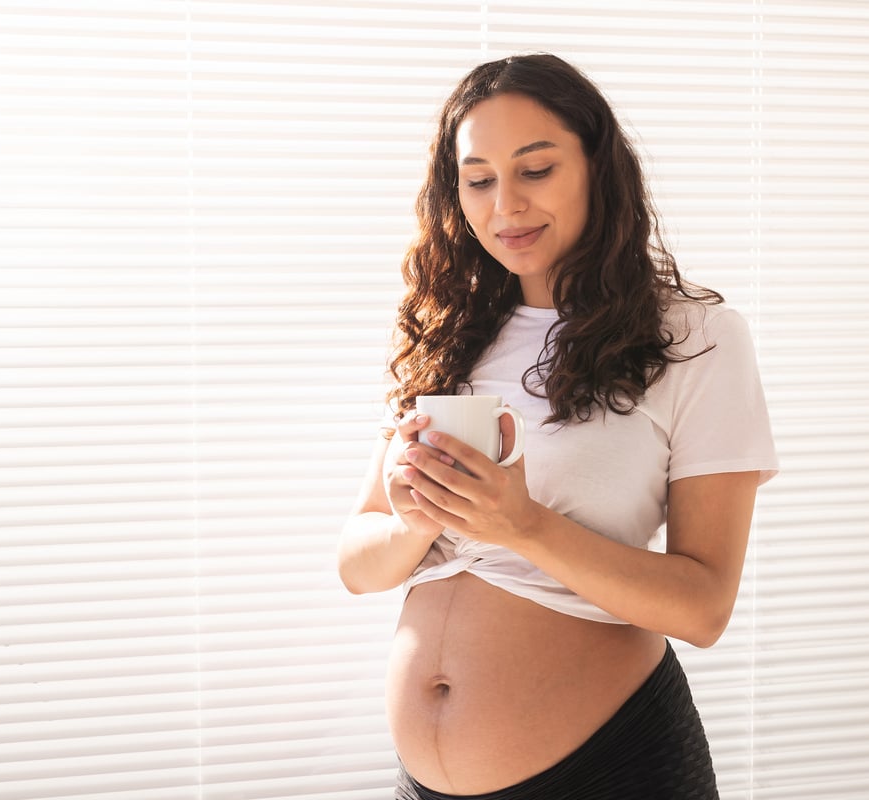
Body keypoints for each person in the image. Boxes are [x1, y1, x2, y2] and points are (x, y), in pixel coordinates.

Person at [338, 53, 778, 800]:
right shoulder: (451, 336)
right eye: (478, 180)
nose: (505, 204)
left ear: (597, 170)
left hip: (611, 769)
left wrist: (522, 525)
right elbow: (357, 562)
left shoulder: (696, 337)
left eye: (535, 170)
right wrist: (418, 523)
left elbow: (704, 609)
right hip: (426, 785)